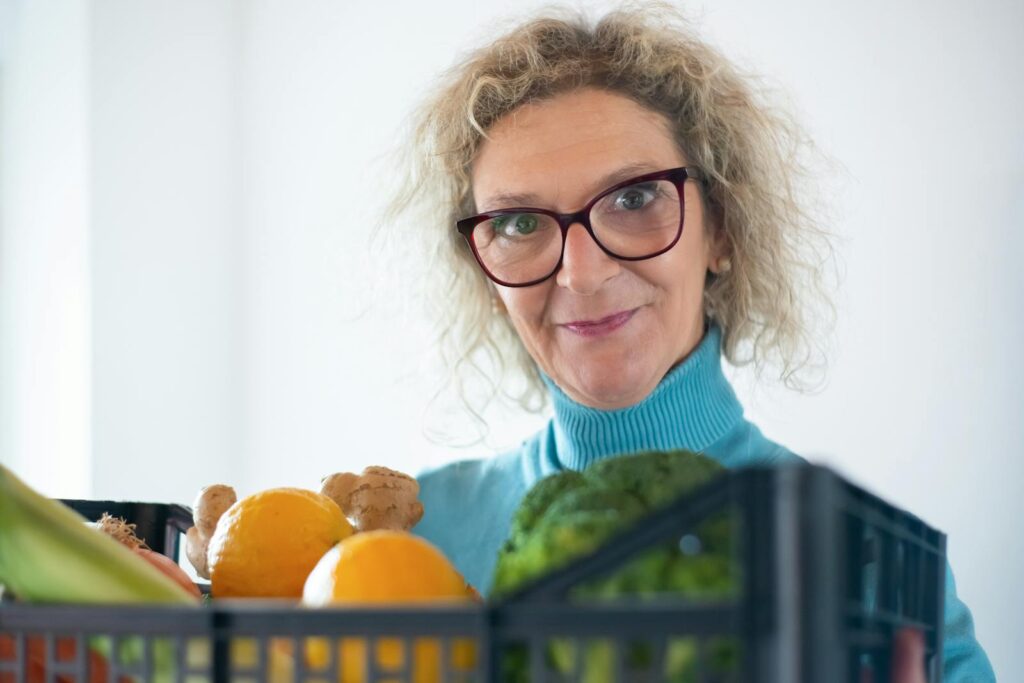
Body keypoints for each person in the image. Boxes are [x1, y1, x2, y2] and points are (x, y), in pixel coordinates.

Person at [384, 5, 995, 681]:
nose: (582, 273)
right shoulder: (407, 539)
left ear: (722, 229)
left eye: (635, 198)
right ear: (483, 269)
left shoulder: (874, 564)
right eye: (521, 221)